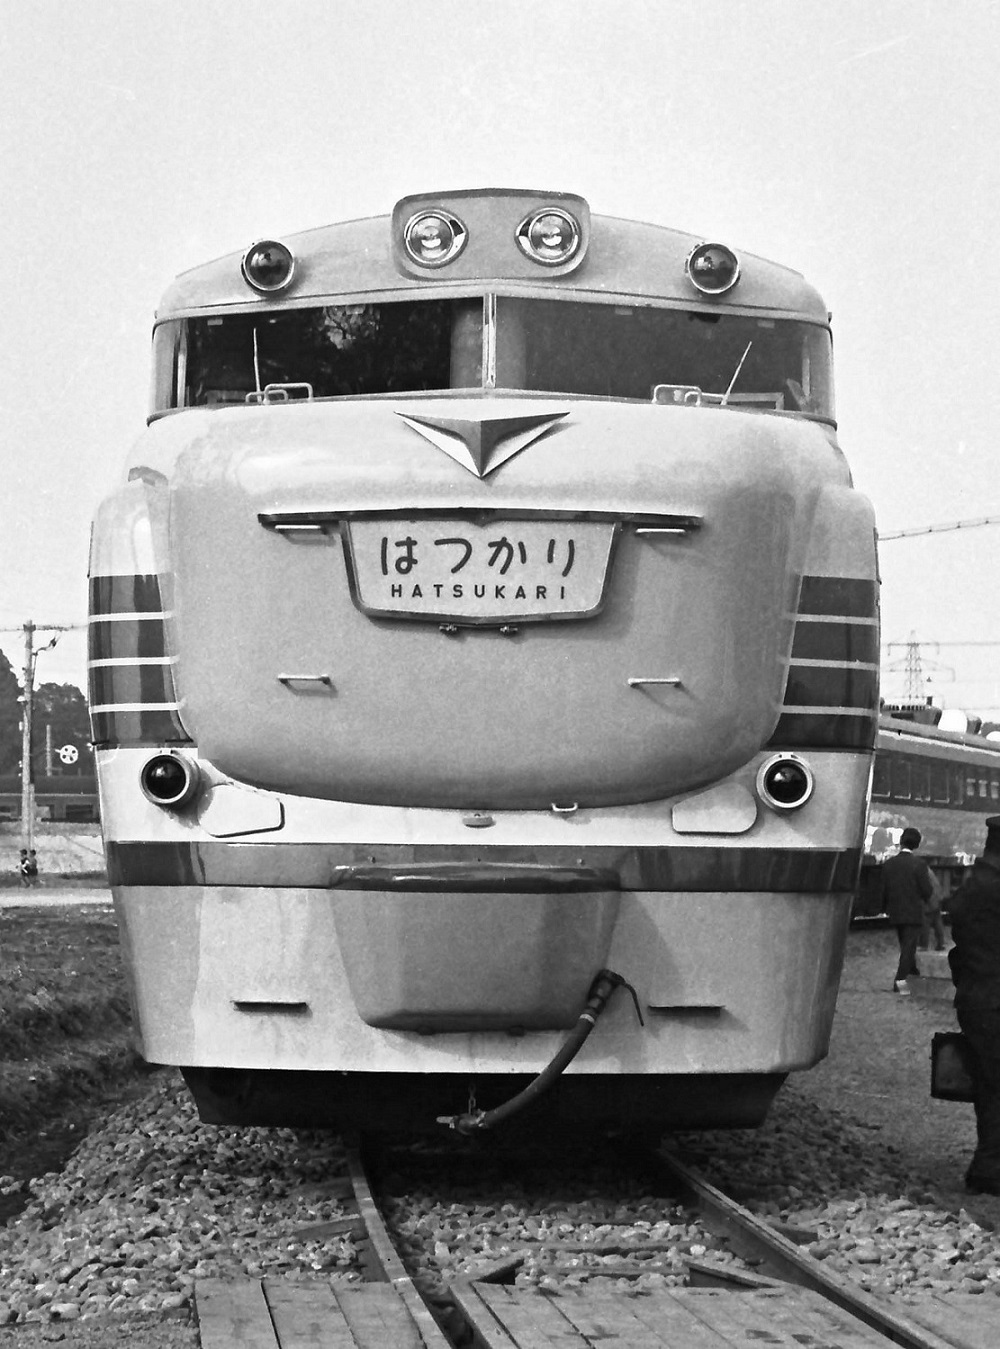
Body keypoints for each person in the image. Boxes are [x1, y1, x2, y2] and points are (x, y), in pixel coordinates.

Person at [948, 816, 1000, 1195]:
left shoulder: (975, 885)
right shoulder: (993, 890)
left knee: (989, 1085)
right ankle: (988, 1170)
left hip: (977, 998)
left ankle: (987, 1165)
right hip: (993, 1001)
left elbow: (958, 954)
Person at [880, 826, 934, 994]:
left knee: (906, 944)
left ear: (901, 841)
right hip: (913, 912)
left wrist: (885, 907)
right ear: (917, 844)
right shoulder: (919, 865)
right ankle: (900, 983)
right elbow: (927, 890)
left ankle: (913, 973)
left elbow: (884, 889)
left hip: (896, 911)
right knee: (908, 947)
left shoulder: (889, 864)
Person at [919, 868, 947, 953]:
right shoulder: (929, 871)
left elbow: (924, 888)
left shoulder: (922, 872)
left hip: (929, 899)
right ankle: (941, 943)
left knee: (925, 922)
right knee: (937, 920)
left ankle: (924, 945)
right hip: (937, 897)